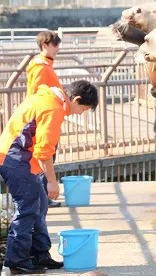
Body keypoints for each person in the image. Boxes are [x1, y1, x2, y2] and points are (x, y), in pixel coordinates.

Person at [0, 80, 98, 274]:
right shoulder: (52, 109)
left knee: (40, 205)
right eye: (83, 109)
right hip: (16, 160)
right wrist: (52, 182)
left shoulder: (47, 98)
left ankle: (39, 254)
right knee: (28, 208)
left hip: (22, 160)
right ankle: (16, 260)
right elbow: (44, 152)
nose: (81, 113)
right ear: (75, 99)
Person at [26, 31, 63, 208]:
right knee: (45, 157)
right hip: (44, 118)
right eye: (54, 45)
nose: (57, 48)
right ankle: (43, 197)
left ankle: (43, 197)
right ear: (45, 46)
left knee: (45, 157)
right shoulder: (41, 67)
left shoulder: (43, 64)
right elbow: (35, 94)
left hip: (45, 116)